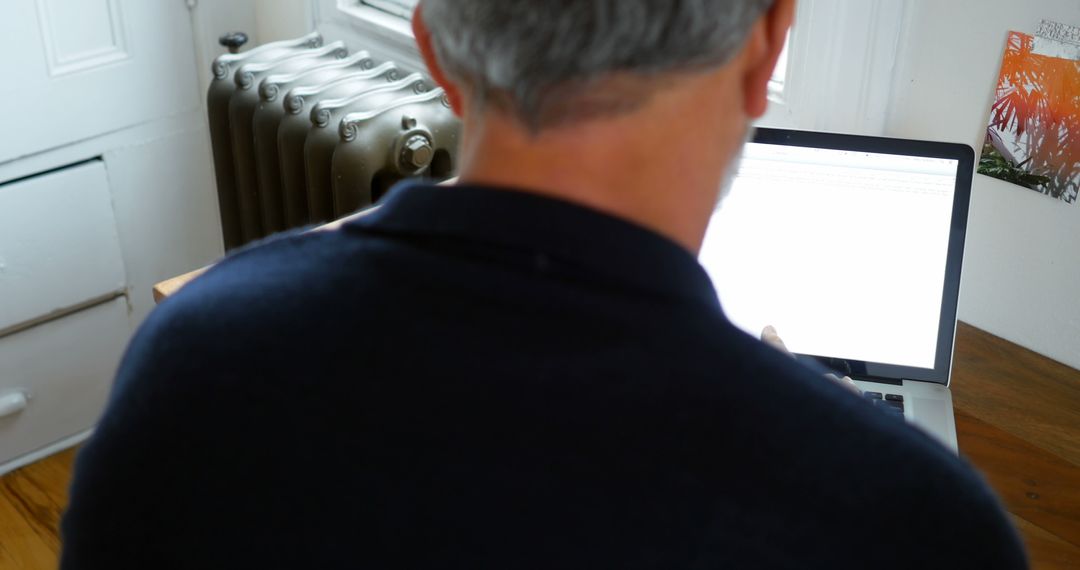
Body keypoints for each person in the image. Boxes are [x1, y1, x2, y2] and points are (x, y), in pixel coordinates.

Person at [61, 0, 1027, 567]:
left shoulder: (191, 368)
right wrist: (797, 412)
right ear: (771, 44)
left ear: (435, 47)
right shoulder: (916, 525)